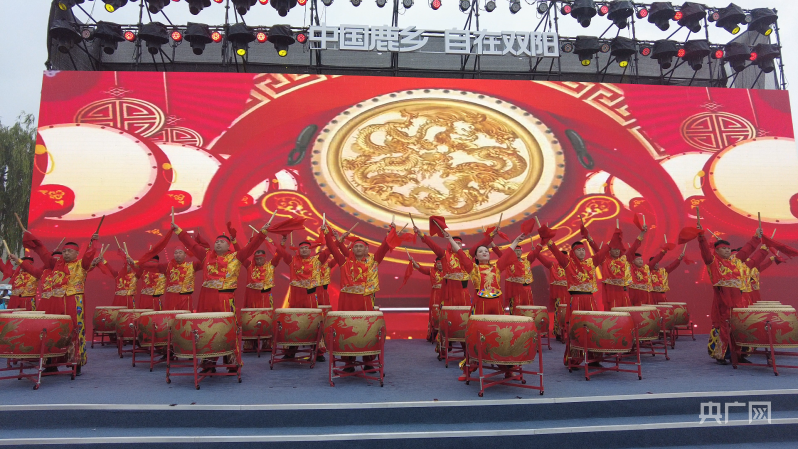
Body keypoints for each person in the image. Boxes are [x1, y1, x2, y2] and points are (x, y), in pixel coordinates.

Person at [27, 232, 100, 374]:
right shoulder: (56, 265)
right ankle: (51, 363)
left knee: (74, 330)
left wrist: (93, 243)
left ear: (76, 253)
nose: (66, 253)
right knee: (55, 330)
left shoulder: (81, 265)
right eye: (64, 251)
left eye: (69, 251)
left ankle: (75, 363)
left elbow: (88, 257)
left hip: (74, 301)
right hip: (57, 301)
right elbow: (44, 254)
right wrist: (34, 241)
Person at [541, 225, 613, 365]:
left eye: (583, 250)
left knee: (593, 327)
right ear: (573, 252)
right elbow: (555, 251)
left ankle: (594, 358)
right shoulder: (568, 263)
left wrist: (612, 241)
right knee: (576, 328)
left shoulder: (590, 262)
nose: (582, 252)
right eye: (578, 250)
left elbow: (602, 252)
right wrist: (547, 240)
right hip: (576, 299)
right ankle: (574, 359)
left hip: (590, 299)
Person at [697, 227, 769, 364]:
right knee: (724, 329)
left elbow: (748, 251)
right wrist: (701, 237)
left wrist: (757, 238)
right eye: (724, 248)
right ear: (716, 250)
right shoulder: (713, 262)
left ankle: (739, 355)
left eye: (728, 249)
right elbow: (705, 251)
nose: (727, 251)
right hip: (723, 301)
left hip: (738, 300)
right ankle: (721, 355)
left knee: (740, 328)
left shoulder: (737, 262)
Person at [444, 231, 521, 315]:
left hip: (497, 302)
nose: (484, 252)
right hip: (481, 302)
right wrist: (450, 239)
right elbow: (461, 254)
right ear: (476, 257)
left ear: (489, 255)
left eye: (486, 251)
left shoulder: (497, 267)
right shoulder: (473, 268)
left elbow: (507, 254)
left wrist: (516, 241)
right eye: (480, 251)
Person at [416, 226, 492, 308]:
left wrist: (491, 235)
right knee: (449, 313)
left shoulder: (467, 254)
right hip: (449, 291)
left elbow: (480, 244)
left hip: (464, 291)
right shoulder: (445, 255)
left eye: (459, 243)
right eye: (455, 243)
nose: (457, 245)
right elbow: (433, 245)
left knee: (465, 312)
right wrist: (421, 235)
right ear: (451, 244)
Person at [586, 226, 647, 310]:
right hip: (611, 293)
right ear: (609, 250)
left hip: (623, 292)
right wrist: (589, 238)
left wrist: (642, 233)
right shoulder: (605, 260)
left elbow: (634, 248)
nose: (617, 251)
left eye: (618, 249)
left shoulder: (624, 260)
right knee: (613, 314)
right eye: (614, 249)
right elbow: (597, 250)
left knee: (626, 313)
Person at [489, 239, 541, 313]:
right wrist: (491, 241)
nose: (518, 253)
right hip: (515, 291)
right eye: (516, 251)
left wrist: (538, 246)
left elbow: (535, 253)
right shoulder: (509, 262)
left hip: (527, 290)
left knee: (529, 310)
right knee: (516, 310)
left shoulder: (527, 261)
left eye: (519, 251)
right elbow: (499, 253)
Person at [534, 244, 569, 340]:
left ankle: (569, 332)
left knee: (570, 313)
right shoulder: (553, 266)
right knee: (559, 314)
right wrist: (536, 252)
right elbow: (543, 260)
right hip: (559, 295)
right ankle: (558, 332)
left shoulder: (571, 267)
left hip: (570, 295)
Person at [242, 238, 287, 309]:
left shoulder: (271, 265)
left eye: (261, 258)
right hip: (253, 296)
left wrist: (282, 244)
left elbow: (279, 254)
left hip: (266, 296)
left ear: (265, 258)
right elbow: (241, 256)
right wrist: (248, 245)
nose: (259, 261)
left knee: (267, 314)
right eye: (257, 259)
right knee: (254, 314)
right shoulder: (250, 266)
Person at [409, 256, 444, 342]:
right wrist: (412, 260)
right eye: (438, 263)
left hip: (445, 295)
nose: (440, 265)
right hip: (435, 296)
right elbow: (421, 268)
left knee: (445, 314)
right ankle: (432, 335)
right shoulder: (431, 271)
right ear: (436, 264)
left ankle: (446, 336)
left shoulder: (448, 271)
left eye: (442, 263)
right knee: (434, 314)